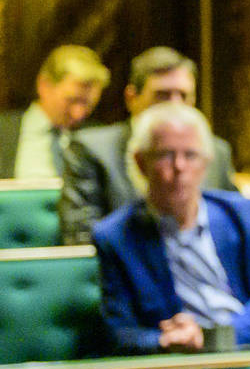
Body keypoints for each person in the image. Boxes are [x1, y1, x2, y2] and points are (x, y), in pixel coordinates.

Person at [92, 103, 250, 354]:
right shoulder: (116, 237)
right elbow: (120, 332)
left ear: (206, 163)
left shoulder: (246, 216)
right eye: (165, 154)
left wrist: (214, 337)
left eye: (190, 155)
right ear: (141, 163)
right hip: (187, 366)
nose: (179, 167)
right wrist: (163, 341)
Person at [60, 46, 238, 244]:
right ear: (131, 98)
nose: (175, 105)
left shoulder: (216, 151)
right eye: (163, 95)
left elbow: (232, 230)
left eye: (184, 95)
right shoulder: (91, 149)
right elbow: (82, 239)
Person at [0, 45, 108, 179]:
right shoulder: (3, 130)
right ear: (44, 86)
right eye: (72, 100)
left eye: (88, 104)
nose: (78, 113)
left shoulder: (99, 140)